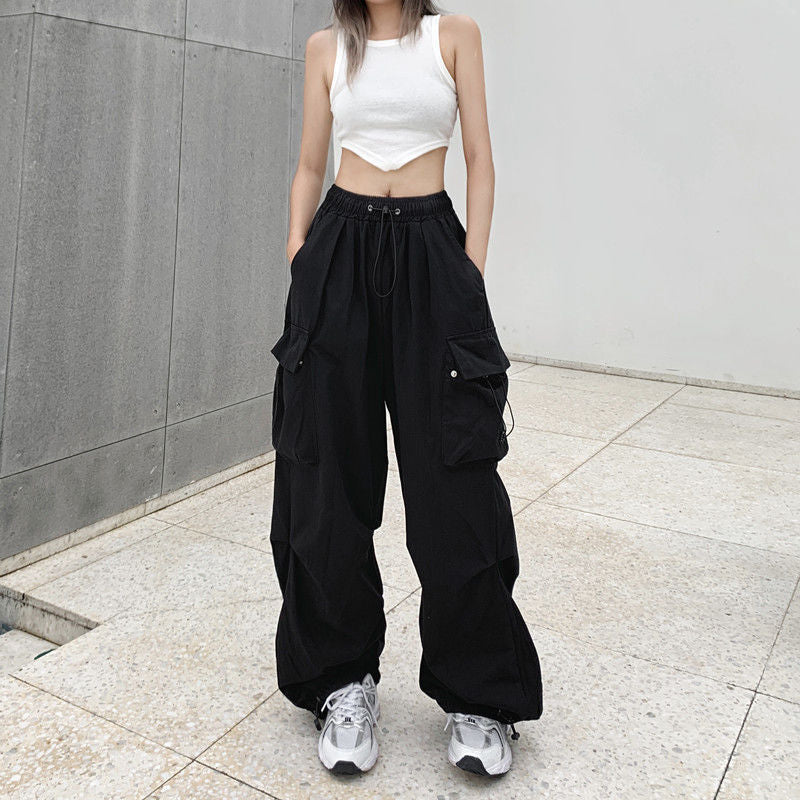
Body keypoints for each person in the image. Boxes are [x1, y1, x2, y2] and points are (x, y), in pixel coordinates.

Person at [269, 0, 542, 777]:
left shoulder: (453, 36)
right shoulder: (328, 47)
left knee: (454, 484)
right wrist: (301, 253)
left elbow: (481, 159)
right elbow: (308, 164)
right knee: (325, 482)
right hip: (338, 255)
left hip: (432, 252)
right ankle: (341, 682)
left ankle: (481, 697)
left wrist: (470, 272)